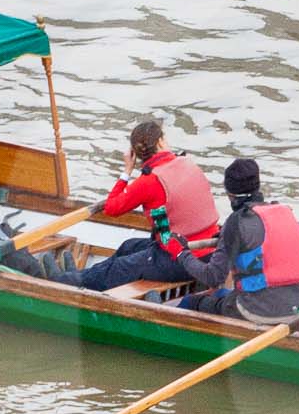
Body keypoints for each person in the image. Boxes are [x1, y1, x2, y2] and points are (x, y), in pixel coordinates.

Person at [70, 119, 222, 293]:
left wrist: (127, 171)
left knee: (119, 267)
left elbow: (112, 208)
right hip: (211, 251)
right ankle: (80, 275)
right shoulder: (187, 163)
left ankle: (66, 280)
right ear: (160, 142)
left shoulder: (148, 182)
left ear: (136, 153)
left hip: (182, 258)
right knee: (129, 246)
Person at [173, 158, 299, 323]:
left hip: (256, 312)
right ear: (257, 186)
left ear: (230, 195)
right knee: (221, 295)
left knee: (191, 301)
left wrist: (182, 253)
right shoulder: (284, 213)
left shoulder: (236, 222)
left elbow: (213, 277)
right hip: (294, 308)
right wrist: (225, 236)